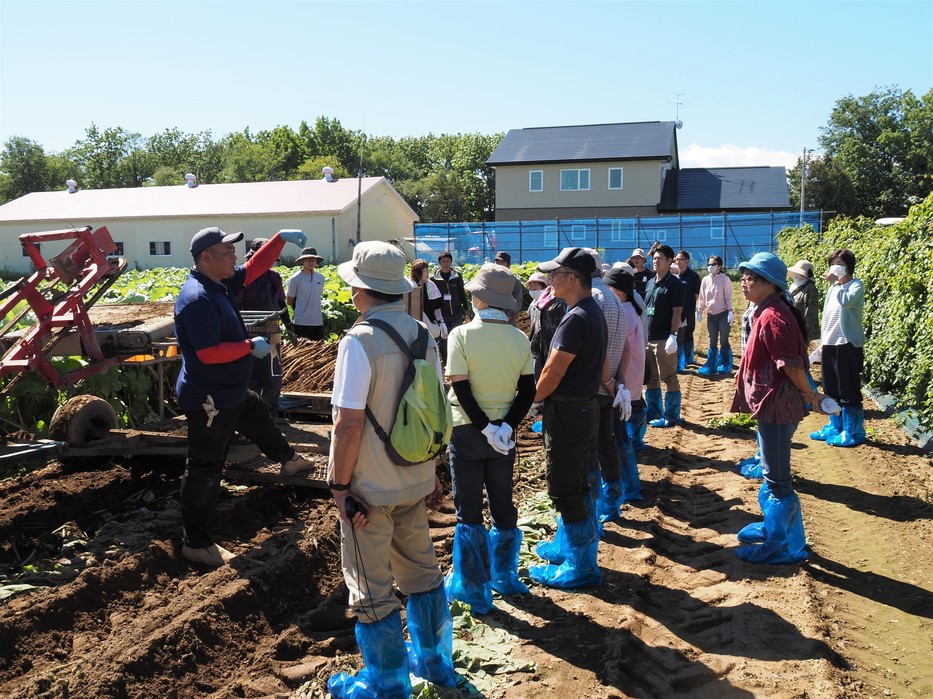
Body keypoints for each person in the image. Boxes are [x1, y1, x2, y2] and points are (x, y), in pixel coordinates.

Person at [325, 241, 457, 697]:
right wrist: (435, 472)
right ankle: (437, 665)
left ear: (360, 289)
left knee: (370, 586)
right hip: (414, 478)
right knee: (422, 572)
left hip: (370, 491)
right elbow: (434, 411)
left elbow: (348, 424)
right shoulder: (423, 334)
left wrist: (341, 487)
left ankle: (388, 685)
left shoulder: (358, 341)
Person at [174, 227, 313, 568]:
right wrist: (249, 347)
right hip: (210, 400)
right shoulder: (198, 299)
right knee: (205, 469)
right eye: (227, 251)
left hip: (230, 391)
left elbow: (254, 269)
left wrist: (278, 238)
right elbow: (207, 353)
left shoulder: (217, 282)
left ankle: (288, 458)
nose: (235, 257)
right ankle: (197, 543)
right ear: (207, 258)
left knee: (256, 412)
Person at [444, 263, 535, 614]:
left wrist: (482, 425)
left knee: (468, 508)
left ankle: (472, 586)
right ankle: (505, 576)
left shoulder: (461, 335)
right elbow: (527, 389)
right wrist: (506, 426)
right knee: (502, 502)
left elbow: (460, 385)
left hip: (468, 430)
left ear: (480, 298)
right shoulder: (519, 338)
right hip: (504, 436)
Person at [731, 252, 828, 564]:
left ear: (768, 283)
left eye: (750, 278)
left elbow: (790, 364)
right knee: (774, 470)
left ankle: (783, 545)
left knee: (777, 477)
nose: (744, 283)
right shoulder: (768, 309)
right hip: (772, 401)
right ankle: (776, 530)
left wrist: (809, 394)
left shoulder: (773, 315)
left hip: (778, 404)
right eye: (744, 277)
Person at [528, 247, 608, 589]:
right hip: (584, 407)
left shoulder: (575, 318)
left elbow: (553, 369)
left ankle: (582, 566)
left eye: (554, 275)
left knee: (566, 486)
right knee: (579, 480)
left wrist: (529, 402)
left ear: (572, 279)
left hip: (568, 412)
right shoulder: (591, 309)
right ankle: (573, 548)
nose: (549, 280)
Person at [582, 248, 627, 525]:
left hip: (595, 385)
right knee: (606, 443)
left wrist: (606, 379)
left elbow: (595, 349)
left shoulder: (593, 299)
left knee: (589, 451)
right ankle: (610, 498)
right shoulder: (611, 296)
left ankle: (591, 512)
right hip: (607, 385)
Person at [809, 249, 866, 448]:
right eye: (832, 262)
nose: (835, 267)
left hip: (847, 345)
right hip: (831, 344)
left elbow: (847, 302)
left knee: (848, 389)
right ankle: (835, 426)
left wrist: (839, 282)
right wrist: (823, 343)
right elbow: (827, 318)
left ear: (848, 266)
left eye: (839, 263)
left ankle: (853, 432)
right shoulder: (833, 288)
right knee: (831, 387)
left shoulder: (855, 286)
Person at [235, 238, 295, 413]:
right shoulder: (243, 277)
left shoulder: (274, 276)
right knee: (252, 373)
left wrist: (289, 328)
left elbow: (281, 304)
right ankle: (251, 413)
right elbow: (236, 307)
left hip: (272, 329)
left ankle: (272, 410)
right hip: (250, 330)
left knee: (273, 372)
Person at [603, 267, 646, 502]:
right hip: (628, 381)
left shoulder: (624, 313)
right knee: (620, 436)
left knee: (618, 437)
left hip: (621, 383)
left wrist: (611, 381)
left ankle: (628, 485)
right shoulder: (631, 309)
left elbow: (617, 351)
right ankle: (630, 484)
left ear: (618, 291)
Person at [644, 245, 685, 428]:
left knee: (668, 376)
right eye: (654, 258)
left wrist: (673, 335)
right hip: (649, 337)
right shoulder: (651, 282)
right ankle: (654, 412)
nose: (655, 260)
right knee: (651, 377)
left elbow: (677, 312)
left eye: (660, 258)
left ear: (669, 261)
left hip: (663, 338)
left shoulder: (674, 284)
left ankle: (672, 414)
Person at [696, 255, 735, 376]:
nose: (710, 267)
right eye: (709, 264)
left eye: (713, 264)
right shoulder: (705, 280)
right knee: (712, 341)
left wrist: (730, 311)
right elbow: (702, 297)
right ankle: (711, 364)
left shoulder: (724, 279)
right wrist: (699, 310)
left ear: (719, 266)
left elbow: (728, 296)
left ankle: (725, 363)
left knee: (724, 339)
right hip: (711, 314)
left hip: (723, 313)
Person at [431, 251, 471, 362]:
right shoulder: (434, 278)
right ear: (439, 262)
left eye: (448, 261)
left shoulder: (457, 276)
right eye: (443, 261)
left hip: (457, 312)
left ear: (451, 262)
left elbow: (462, 293)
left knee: (456, 336)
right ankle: (446, 361)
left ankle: (457, 360)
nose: (446, 263)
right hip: (442, 314)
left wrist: (466, 310)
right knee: (443, 338)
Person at [528, 275, 568, 381]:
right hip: (537, 351)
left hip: (553, 352)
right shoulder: (540, 301)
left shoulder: (562, 302)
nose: (551, 279)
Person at [286, 247, 326, 340]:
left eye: (313, 260)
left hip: (318, 322)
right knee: (301, 351)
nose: (311, 262)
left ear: (316, 261)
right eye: (307, 260)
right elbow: (290, 300)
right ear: (302, 261)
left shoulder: (321, 278)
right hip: (301, 322)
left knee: (318, 352)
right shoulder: (295, 278)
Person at [673, 250, 702, 370]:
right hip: (674, 310)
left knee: (688, 332)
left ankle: (689, 357)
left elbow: (696, 294)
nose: (679, 261)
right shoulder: (673, 274)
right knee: (676, 334)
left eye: (681, 259)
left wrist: (690, 306)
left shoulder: (693, 276)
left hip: (688, 309)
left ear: (687, 261)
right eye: (677, 259)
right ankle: (678, 359)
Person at [406, 258, 447, 339]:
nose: (428, 272)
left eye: (427, 270)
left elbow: (437, 308)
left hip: (430, 324)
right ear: (418, 272)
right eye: (425, 270)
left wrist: (442, 323)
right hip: (413, 326)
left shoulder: (431, 285)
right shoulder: (408, 286)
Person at [788, 260, 820, 350]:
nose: (795, 275)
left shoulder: (810, 289)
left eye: (798, 273)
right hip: (791, 326)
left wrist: (806, 335)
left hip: (800, 328)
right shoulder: (795, 287)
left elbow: (811, 312)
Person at [494, 250, 525, 326]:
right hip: (491, 320)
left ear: (508, 265)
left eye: (502, 262)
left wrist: (505, 318)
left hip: (507, 322)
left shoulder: (515, 282)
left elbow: (517, 303)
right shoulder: (490, 279)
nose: (499, 265)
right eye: (497, 262)